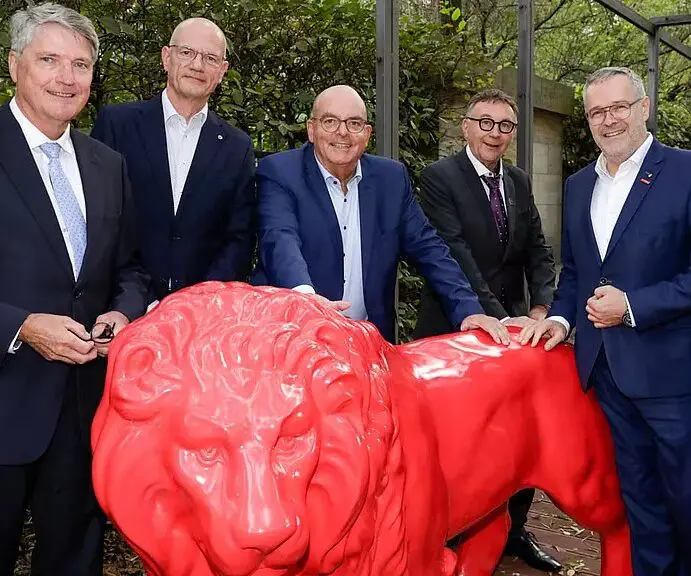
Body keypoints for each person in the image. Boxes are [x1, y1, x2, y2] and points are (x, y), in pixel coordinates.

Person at [521, 67, 691, 575]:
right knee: (641, 505)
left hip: (673, 375)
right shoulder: (578, 185)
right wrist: (559, 320)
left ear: (643, 108)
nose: (609, 119)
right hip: (606, 374)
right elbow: (576, 272)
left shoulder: (684, 172)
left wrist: (634, 305)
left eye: (619, 107)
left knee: (685, 499)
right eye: (597, 111)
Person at [0, 3, 150, 575]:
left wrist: (122, 312)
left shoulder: (106, 163)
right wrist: (20, 325)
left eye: (81, 65)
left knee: (74, 558)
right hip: (5, 396)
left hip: (85, 406)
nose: (66, 77)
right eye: (49, 60)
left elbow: (131, 267)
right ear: (15, 64)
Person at [413, 88, 559, 572]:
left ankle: (515, 533)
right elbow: (456, 254)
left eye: (505, 125)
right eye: (485, 122)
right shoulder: (440, 178)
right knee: (461, 443)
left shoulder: (517, 180)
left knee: (519, 434)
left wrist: (540, 308)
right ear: (466, 126)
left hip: (515, 332)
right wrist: (500, 318)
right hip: (458, 330)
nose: (495, 133)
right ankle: (450, 537)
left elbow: (538, 248)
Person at [252, 84, 509, 345]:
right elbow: (279, 239)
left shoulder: (391, 179)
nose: (342, 132)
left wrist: (469, 311)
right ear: (311, 129)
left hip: (368, 345)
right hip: (291, 340)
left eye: (354, 123)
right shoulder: (280, 171)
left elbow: (429, 248)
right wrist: (305, 300)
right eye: (330, 121)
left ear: (367, 134)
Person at [91, 17, 255, 302]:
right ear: (166, 57)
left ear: (222, 71)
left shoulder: (237, 146)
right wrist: (128, 300)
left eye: (210, 58)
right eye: (187, 52)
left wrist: (198, 303)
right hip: (119, 308)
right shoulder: (117, 125)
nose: (197, 65)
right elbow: (96, 220)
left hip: (201, 313)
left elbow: (239, 238)